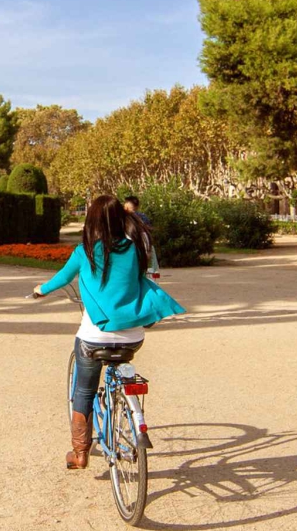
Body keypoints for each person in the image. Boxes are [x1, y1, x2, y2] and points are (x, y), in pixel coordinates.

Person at [31, 195, 184, 469]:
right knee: (121, 367)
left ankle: (80, 453)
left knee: (84, 390)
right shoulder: (137, 248)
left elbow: (62, 278)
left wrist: (40, 290)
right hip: (133, 337)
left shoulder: (85, 251)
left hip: (94, 337)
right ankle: (128, 409)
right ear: (121, 217)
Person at [121, 195, 160, 279]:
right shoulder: (143, 217)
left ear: (127, 205)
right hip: (144, 250)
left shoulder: (123, 218)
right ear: (138, 206)